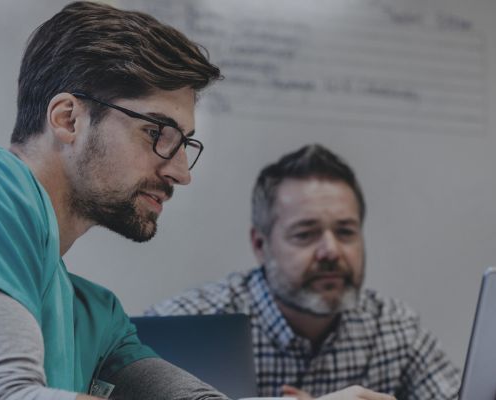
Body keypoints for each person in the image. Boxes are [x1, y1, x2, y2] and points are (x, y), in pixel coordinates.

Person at [0, 2, 235, 398]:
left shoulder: (94, 316)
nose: (181, 172)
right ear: (67, 119)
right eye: (156, 133)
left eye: (185, 144)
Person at [147, 144, 464, 399]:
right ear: (260, 244)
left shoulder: (395, 327)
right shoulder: (183, 327)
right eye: (305, 234)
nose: (331, 251)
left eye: (346, 232)